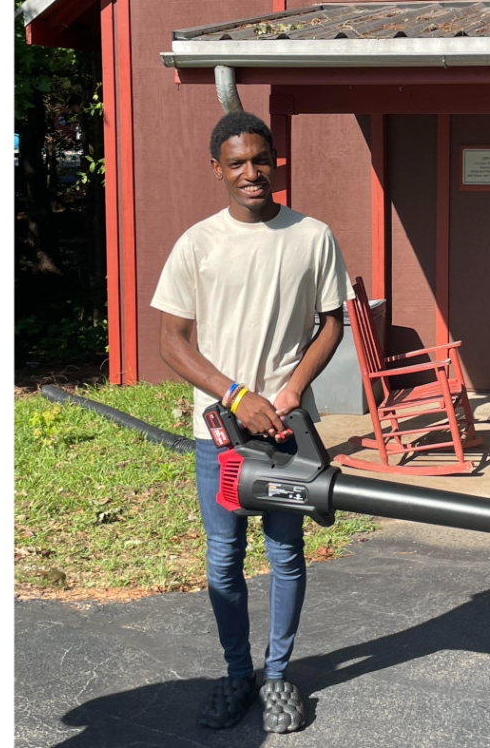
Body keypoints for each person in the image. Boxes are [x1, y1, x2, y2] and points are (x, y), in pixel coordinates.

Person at [150, 111, 353, 734]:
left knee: (286, 554)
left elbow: (332, 322)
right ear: (217, 169)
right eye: (236, 162)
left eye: (260, 159)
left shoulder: (312, 236)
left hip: (289, 432)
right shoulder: (197, 244)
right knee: (222, 560)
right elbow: (172, 341)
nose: (250, 172)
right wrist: (236, 395)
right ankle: (238, 672)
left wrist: (291, 389)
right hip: (219, 435)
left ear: (276, 160)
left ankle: (277, 675)